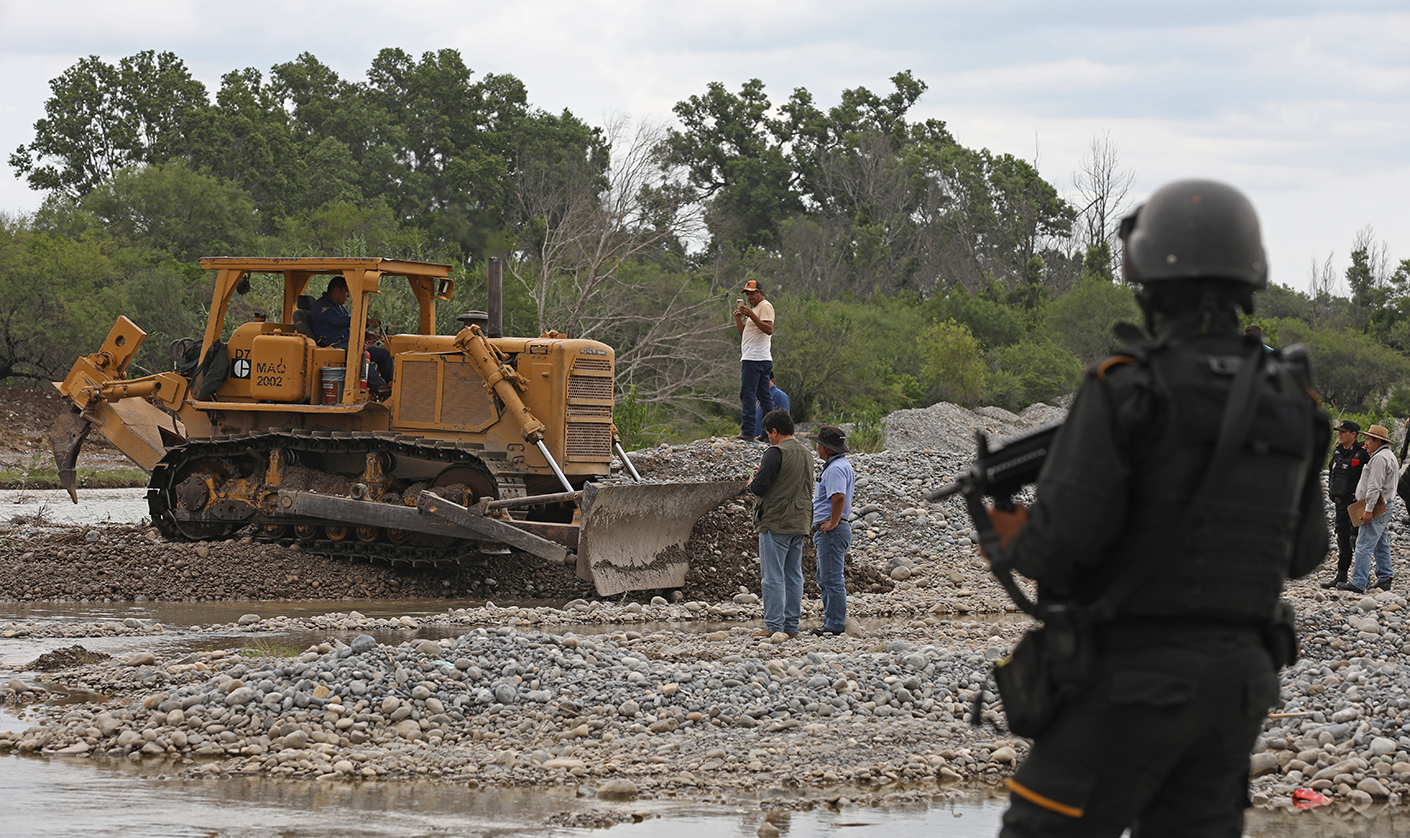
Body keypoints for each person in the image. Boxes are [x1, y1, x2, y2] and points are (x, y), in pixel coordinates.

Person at [985, 180, 1328, 837]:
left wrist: (1009, 536)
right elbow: (1306, 553)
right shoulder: (1291, 400)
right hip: (1241, 684)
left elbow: (1059, 546)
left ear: (1149, 285)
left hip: (1133, 679)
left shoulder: (1126, 387)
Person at [747, 408, 814, 638]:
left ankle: (773, 625)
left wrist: (752, 480)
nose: (769, 438)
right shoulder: (807, 453)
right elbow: (792, 481)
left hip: (776, 521)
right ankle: (791, 626)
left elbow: (760, 488)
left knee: (773, 576)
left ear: (774, 431)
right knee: (793, 574)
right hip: (800, 520)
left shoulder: (775, 452)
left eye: (768, 434)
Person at [1339, 423, 1398, 593]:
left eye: (1368, 440)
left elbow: (1374, 486)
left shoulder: (1379, 458)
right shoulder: (1389, 456)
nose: (1366, 443)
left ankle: (1358, 581)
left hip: (1376, 506)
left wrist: (1368, 509)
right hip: (1385, 505)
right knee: (1381, 542)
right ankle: (1385, 577)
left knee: (1363, 543)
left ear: (1377, 441)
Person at [310, 275, 394, 392]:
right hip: (332, 346)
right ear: (336, 290)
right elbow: (339, 321)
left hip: (346, 345)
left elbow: (347, 327)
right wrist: (366, 321)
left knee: (383, 353)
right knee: (359, 355)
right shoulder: (322, 307)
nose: (348, 296)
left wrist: (366, 334)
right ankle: (381, 390)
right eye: (346, 291)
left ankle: (392, 387)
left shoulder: (340, 308)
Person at [809, 425, 855, 637]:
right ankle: (831, 620)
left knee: (831, 578)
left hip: (833, 531)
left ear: (827, 448)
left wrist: (833, 522)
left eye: (819, 444)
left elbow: (838, 497)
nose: (817, 447)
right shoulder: (839, 465)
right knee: (827, 576)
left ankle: (835, 624)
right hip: (835, 530)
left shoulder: (835, 468)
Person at [1322, 420, 1369, 588]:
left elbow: (1370, 477)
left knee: (1357, 539)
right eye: (1339, 431)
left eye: (1343, 432)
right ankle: (1341, 575)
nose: (1340, 434)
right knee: (1342, 538)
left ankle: (1361, 577)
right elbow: (1332, 473)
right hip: (1340, 503)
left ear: (1353, 434)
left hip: (1356, 504)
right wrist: (1332, 493)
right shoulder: (1338, 451)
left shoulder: (1362, 453)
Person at [734, 280, 775, 441]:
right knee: (764, 397)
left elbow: (769, 329)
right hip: (759, 357)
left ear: (761, 293)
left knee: (748, 394)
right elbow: (745, 331)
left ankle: (748, 431)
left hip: (754, 359)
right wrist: (739, 319)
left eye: (752, 293)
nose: (749, 297)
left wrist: (751, 315)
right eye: (747, 294)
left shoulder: (764, 306)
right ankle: (769, 433)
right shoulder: (756, 310)